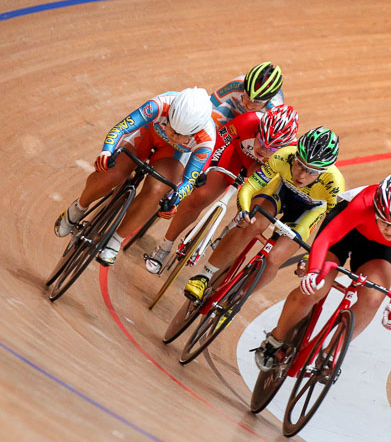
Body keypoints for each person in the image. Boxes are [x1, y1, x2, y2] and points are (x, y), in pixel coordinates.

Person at [254, 173, 391, 372]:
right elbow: (325, 240)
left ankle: (330, 352)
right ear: (375, 210)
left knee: (374, 298)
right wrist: (313, 271)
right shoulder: (363, 203)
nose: (390, 229)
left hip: (377, 248)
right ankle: (275, 340)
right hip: (343, 231)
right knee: (314, 290)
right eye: (384, 221)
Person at [54, 87, 216, 266]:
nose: (173, 135)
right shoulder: (160, 104)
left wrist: (173, 201)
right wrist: (107, 153)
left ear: (195, 132)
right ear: (169, 114)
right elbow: (121, 128)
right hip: (146, 136)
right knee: (112, 174)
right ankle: (78, 207)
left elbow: (189, 180)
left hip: (172, 156)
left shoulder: (207, 139)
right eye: (171, 127)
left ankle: (116, 239)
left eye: (181, 135)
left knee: (157, 191)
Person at [182, 126, 345, 303]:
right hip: (281, 193)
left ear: (324, 171)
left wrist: (310, 258)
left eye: (312, 171)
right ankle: (205, 276)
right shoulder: (283, 156)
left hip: (309, 211)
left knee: (275, 257)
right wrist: (244, 209)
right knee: (251, 224)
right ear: (295, 156)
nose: (302, 175)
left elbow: (330, 231)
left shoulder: (334, 185)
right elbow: (251, 186)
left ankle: (237, 299)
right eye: (300, 165)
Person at [143, 104, 300, 273]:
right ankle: (165, 246)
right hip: (235, 157)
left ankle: (232, 228)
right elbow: (215, 143)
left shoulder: (292, 152)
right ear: (258, 128)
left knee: (253, 214)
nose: (262, 149)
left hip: (261, 173)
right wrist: (202, 171)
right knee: (199, 196)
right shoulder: (247, 121)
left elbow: (277, 184)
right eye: (261, 141)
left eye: (270, 148)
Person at [209, 62, 285, 128]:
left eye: (257, 102)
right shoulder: (237, 85)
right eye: (247, 97)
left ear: (269, 100)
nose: (249, 106)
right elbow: (208, 105)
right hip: (235, 110)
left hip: (258, 124)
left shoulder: (275, 110)